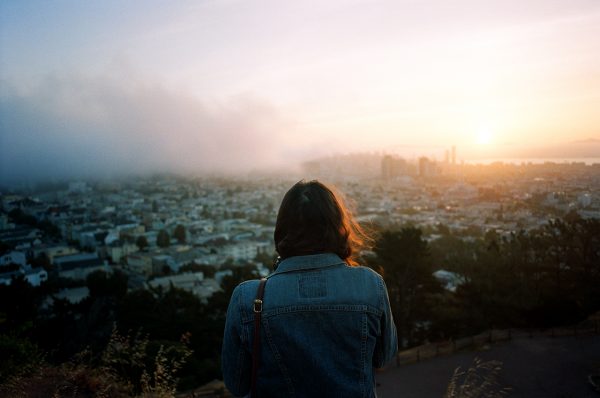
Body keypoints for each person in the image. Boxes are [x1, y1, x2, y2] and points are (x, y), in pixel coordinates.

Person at [222, 180, 397, 397]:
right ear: (338, 227)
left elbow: (236, 383)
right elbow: (385, 356)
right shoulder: (370, 285)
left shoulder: (248, 298)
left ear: (282, 230)